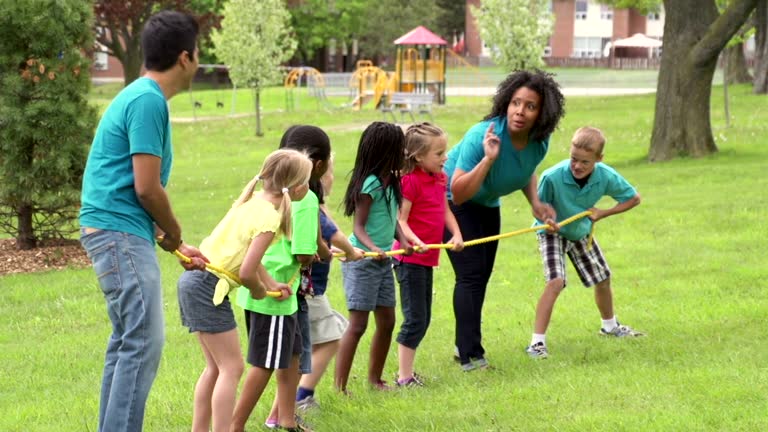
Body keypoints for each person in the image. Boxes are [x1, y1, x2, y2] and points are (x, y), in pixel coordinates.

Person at [78, 11, 207, 432]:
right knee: (143, 342)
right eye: (199, 53)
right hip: (116, 232)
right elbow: (146, 188)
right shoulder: (149, 100)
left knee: (127, 342)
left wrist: (173, 245)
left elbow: (126, 188)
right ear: (185, 57)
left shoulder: (140, 95)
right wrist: (176, 230)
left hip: (117, 228)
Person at [176, 149, 313, 432]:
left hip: (194, 283)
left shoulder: (252, 202)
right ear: (297, 187)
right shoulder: (270, 219)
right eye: (308, 182)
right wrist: (260, 291)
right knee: (232, 368)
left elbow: (250, 258)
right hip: (208, 287)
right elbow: (248, 272)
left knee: (215, 368)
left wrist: (271, 283)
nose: (309, 188)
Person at [443, 70, 565, 371]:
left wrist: (535, 202)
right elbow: (457, 192)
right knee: (470, 275)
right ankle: (471, 355)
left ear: (542, 113)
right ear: (506, 103)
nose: (520, 112)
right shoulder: (483, 136)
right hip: (449, 203)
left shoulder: (539, 141)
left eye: (530, 106)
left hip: (487, 204)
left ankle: (464, 346)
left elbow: (526, 169)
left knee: (481, 276)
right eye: (515, 103)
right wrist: (488, 159)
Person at [233, 125, 329, 432]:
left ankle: (286, 420)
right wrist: (314, 253)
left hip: (266, 292)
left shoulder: (261, 199)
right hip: (275, 296)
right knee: (264, 363)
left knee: (292, 355)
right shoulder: (306, 198)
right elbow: (302, 252)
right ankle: (234, 426)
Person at [525, 126, 643, 359]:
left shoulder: (606, 176)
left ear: (599, 159)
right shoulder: (552, 176)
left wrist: (603, 213)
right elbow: (538, 208)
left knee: (603, 277)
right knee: (556, 282)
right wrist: (548, 219)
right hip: (551, 231)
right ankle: (536, 344)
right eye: (573, 159)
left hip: (579, 230)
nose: (577, 166)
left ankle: (610, 326)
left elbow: (633, 198)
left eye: (585, 162)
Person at [334, 122, 411, 393]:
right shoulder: (370, 184)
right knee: (357, 325)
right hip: (363, 261)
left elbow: (393, 220)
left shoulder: (392, 182)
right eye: (399, 147)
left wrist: (402, 240)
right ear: (385, 150)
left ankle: (374, 380)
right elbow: (358, 227)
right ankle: (340, 387)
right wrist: (374, 249)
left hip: (383, 261)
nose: (404, 151)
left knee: (388, 321)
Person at [392, 123, 464, 387]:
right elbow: (401, 221)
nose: (445, 157)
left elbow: (445, 210)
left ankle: (407, 375)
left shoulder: (439, 177)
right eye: (439, 153)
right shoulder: (409, 181)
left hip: (426, 259)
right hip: (409, 259)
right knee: (415, 319)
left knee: (424, 318)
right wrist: (416, 241)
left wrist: (456, 234)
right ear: (418, 157)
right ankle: (403, 377)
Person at [295, 155, 364, 410]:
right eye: (331, 172)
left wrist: (330, 251)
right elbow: (332, 234)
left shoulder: (309, 205)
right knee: (331, 338)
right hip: (309, 289)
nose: (333, 177)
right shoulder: (310, 204)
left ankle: (297, 396)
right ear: (321, 176)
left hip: (311, 288)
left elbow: (321, 241)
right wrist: (350, 251)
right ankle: (301, 396)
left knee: (323, 338)